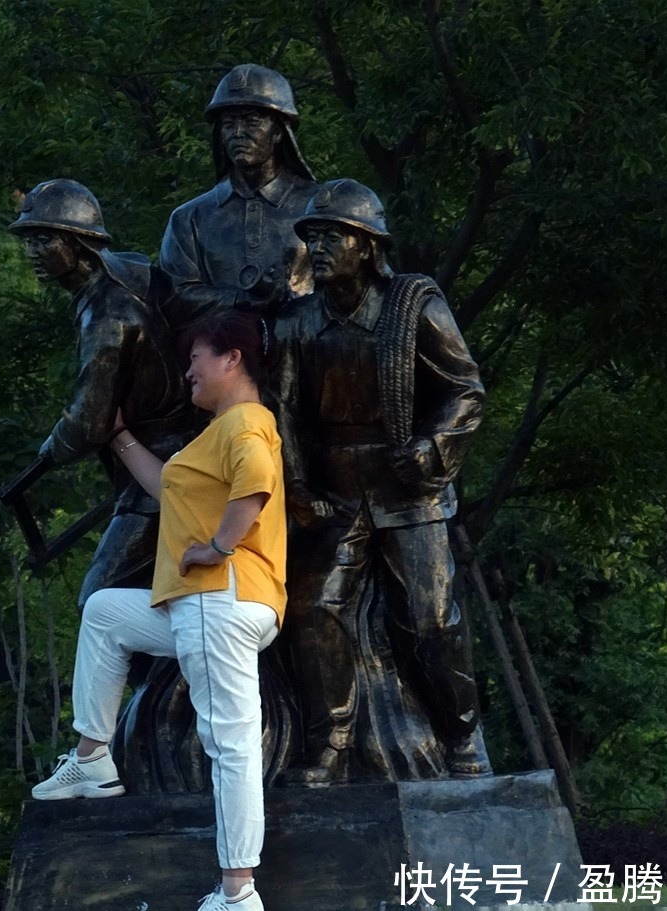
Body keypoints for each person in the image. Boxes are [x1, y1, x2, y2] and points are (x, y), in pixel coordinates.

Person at [32, 308, 287, 911]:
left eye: (197, 356)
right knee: (104, 614)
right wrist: (119, 436)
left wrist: (220, 544)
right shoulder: (220, 431)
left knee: (230, 744)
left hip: (218, 597)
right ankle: (93, 758)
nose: (189, 370)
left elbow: (257, 479)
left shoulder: (246, 423)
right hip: (203, 606)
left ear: (232, 358)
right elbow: (170, 482)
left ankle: (237, 892)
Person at [273, 179, 489, 785]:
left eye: (333, 235)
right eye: (311, 236)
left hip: (409, 489)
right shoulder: (296, 323)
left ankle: (461, 737)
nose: (318, 246)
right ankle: (331, 744)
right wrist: (297, 488)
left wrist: (429, 449)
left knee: (430, 621)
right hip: (333, 493)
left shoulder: (414, 306)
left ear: (367, 246)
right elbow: (282, 411)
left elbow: (465, 391)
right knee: (311, 609)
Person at [8, 177, 197, 605]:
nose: (33, 253)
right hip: (160, 462)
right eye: (29, 241)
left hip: (159, 472)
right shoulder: (121, 279)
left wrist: (49, 450)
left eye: (44, 240)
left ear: (79, 243)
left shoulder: (106, 314)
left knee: (100, 597)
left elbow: (88, 420)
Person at [159, 64, 320, 329]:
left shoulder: (320, 206)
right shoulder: (189, 218)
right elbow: (172, 295)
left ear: (279, 131)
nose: (238, 133)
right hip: (217, 358)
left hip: (308, 349)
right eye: (229, 124)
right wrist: (240, 300)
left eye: (252, 122)